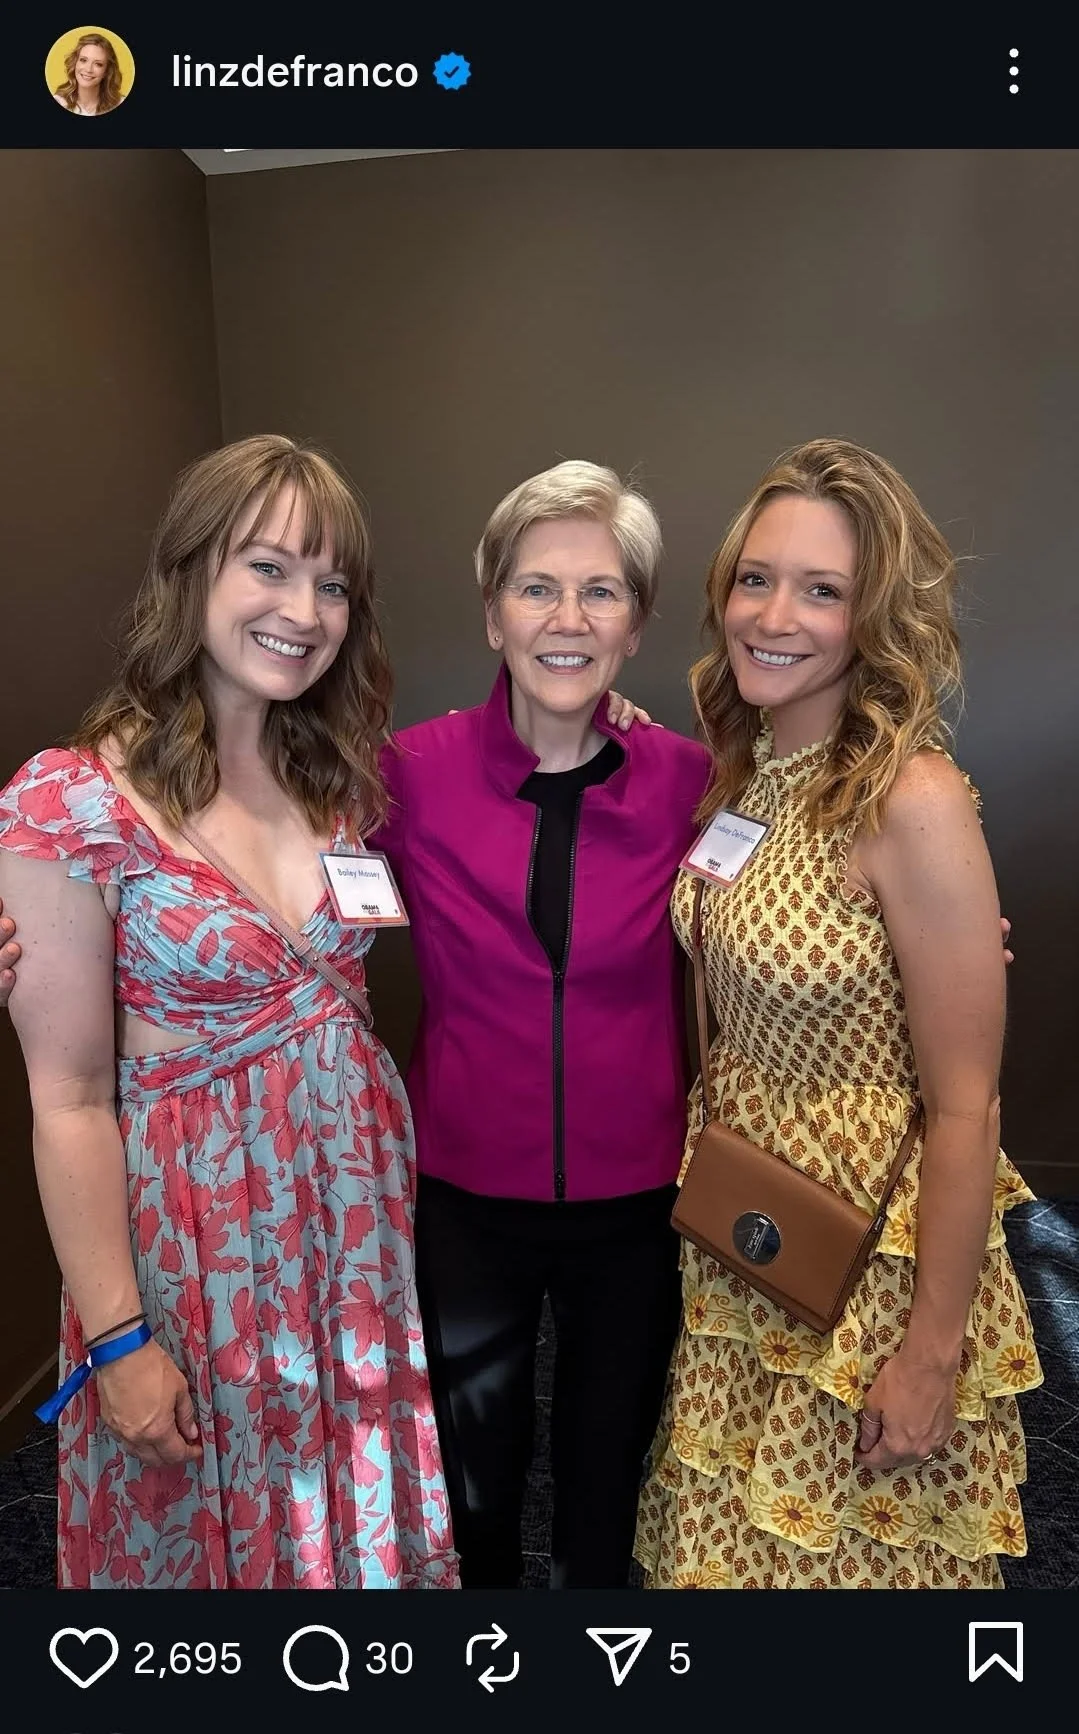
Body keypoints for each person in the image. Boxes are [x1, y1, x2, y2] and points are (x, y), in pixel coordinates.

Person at [0, 435, 457, 1589]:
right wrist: (117, 1338)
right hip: (196, 1252)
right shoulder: (73, 802)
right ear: (191, 570)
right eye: (268, 567)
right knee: (212, 1538)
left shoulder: (335, 776)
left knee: (340, 1522)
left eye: (334, 581)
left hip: (348, 1235)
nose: (304, 610)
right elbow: (66, 1099)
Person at [633, 437, 1041, 1589]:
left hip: (866, 1252)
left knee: (844, 1572)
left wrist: (929, 1355)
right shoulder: (746, 763)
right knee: (731, 1551)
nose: (775, 614)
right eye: (755, 579)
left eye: (822, 590)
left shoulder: (907, 795)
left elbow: (965, 1107)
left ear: (871, 617)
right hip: (747, 1218)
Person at [365, 461, 712, 1588]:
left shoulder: (695, 783)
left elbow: (785, 914)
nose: (566, 619)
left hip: (639, 1200)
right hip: (466, 1194)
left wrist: (940, 942)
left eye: (600, 592)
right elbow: (261, 885)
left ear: (636, 623)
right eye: (535, 588)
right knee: (480, 1474)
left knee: (608, 1476)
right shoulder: (402, 775)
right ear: (489, 610)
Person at [52, 33, 126, 116]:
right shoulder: (59, 101)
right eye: (83, 60)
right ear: (75, 63)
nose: (88, 69)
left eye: (98, 64)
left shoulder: (120, 103)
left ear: (106, 71)